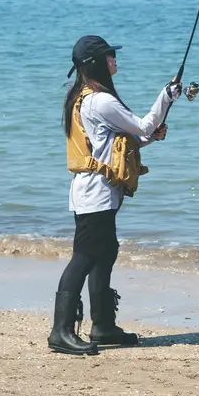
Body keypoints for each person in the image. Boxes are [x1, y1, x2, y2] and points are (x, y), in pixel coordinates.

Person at [47, 35, 181, 355]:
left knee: (105, 252)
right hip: (95, 193)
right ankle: (60, 331)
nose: (114, 60)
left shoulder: (82, 97)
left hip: (92, 190)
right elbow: (145, 126)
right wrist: (167, 96)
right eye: (109, 56)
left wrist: (149, 138)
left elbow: (119, 142)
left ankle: (103, 326)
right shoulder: (101, 101)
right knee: (85, 256)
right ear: (96, 63)